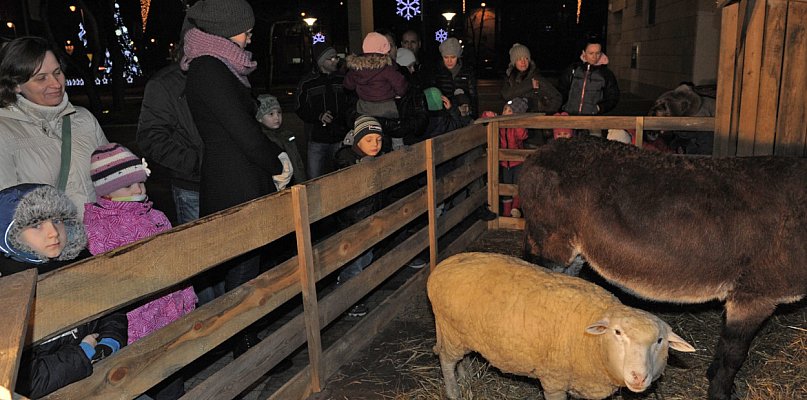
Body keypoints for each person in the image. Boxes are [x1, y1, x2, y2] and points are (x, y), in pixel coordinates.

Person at [181, 0, 285, 357]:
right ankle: (241, 338)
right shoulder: (209, 69)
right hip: (233, 178)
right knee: (244, 261)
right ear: (226, 28)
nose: (250, 34)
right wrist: (275, 161)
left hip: (238, 174)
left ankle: (244, 332)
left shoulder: (218, 65)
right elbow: (241, 130)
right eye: (246, 28)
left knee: (249, 259)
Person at [83, 143, 197, 399]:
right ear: (107, 191)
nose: (139, 190)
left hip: (169, 317)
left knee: (172, 380)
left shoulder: (155, 216)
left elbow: (175, 257)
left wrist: (186, 298)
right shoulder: (98, 229)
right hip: (136, 326)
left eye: (141, 183)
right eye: (128, 186)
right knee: (140, 382)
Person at [0, 183, 127, 399]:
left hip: (98, 372)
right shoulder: (9, 289)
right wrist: (82, 354)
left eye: (57, 220)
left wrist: (110, 339)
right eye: (37, 225)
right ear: (11, 235)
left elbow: (110, 305)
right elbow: (22, 379)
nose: (53, 233)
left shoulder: (80, 261)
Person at [0, 37, 109, 216]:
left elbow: (111, 179)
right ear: (15, 85)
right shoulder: (4, 131)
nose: (56, 84)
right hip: (50, 241)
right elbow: (7, 211)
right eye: (41, 78)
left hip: (101, 238)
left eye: (57, 72)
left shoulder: (84, 119)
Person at [135, 47, 203, 227]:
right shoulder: (165, 84)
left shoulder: (227, 74)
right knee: (199, 248)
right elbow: (150, 137)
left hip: (230, 179)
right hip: (193, 186)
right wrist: (194, 162)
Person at [333, 116, 385, 317]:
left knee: (365, 257)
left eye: (378, 140)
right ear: (357, 141)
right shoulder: (348, 160)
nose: (375, 144)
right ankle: (349, 300)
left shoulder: (375, 159)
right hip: (353, 221)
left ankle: (346, 286)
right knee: (355, 261)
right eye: (369, 140)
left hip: (369, 218)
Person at [294, 42, 351, 178]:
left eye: (336, 57)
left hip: (339, 136)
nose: (335, 61)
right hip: (316, 138)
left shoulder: (342, 79)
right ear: (320, 61)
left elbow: (350, 103)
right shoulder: (308, 82)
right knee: (314, 177)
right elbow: (299, 107)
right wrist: (318, 116)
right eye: (330, 58)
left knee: (342, 175)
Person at [344, 32, 408, 120]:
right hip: (386, 108)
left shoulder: (356, 68)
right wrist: (399, 93)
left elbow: (348, 85)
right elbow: (400, 86)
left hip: (363, 108)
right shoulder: (387, 68)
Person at [559, 36, 620, 116]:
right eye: (591, 53)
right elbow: (561, 91)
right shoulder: (573, 69)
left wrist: (599, 108)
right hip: (570, 116)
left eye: (597, 53)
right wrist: (562, 109)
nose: (594, 57)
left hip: (592, 119)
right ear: (584, 52)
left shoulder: (606, 74)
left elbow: (613, 97)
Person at [256, 94, 307, 187]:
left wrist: (302, 181)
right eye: (271, 114)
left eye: (279, 112)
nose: (277, 117)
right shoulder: (262, 140)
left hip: (295, 185)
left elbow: (297, 161)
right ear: (259, 118)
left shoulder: (287, 136)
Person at [500, 43, 562, 114]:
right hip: (514, 122)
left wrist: (546, 114)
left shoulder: (536, 79)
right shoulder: (509, 80)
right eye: (519, 59)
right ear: (514, 62)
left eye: (526, 58)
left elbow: (557, 97)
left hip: (533, 122)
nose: (523, 62)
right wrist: (529, 84)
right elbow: (506, 95)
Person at [495, 98, 529, 217]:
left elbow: (522, 136)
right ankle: (506, 211)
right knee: (506, 185)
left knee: (517, 184)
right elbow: (486, 118)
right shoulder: (500, 123)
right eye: (505, 109)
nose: (505, 112)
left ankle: (515, 208)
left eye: (510, 110)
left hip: (517, 161)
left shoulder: (515, 125)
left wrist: (517, 123)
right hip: (504, 162)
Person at [431, 37, 478, 118]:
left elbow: (473, 96)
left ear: (458, 56)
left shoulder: (467, 72)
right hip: (443, 117)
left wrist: (474, 117)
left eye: (453, 57)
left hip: (463, 116)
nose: (449, 61)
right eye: (446, 57)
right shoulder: (436, 72)